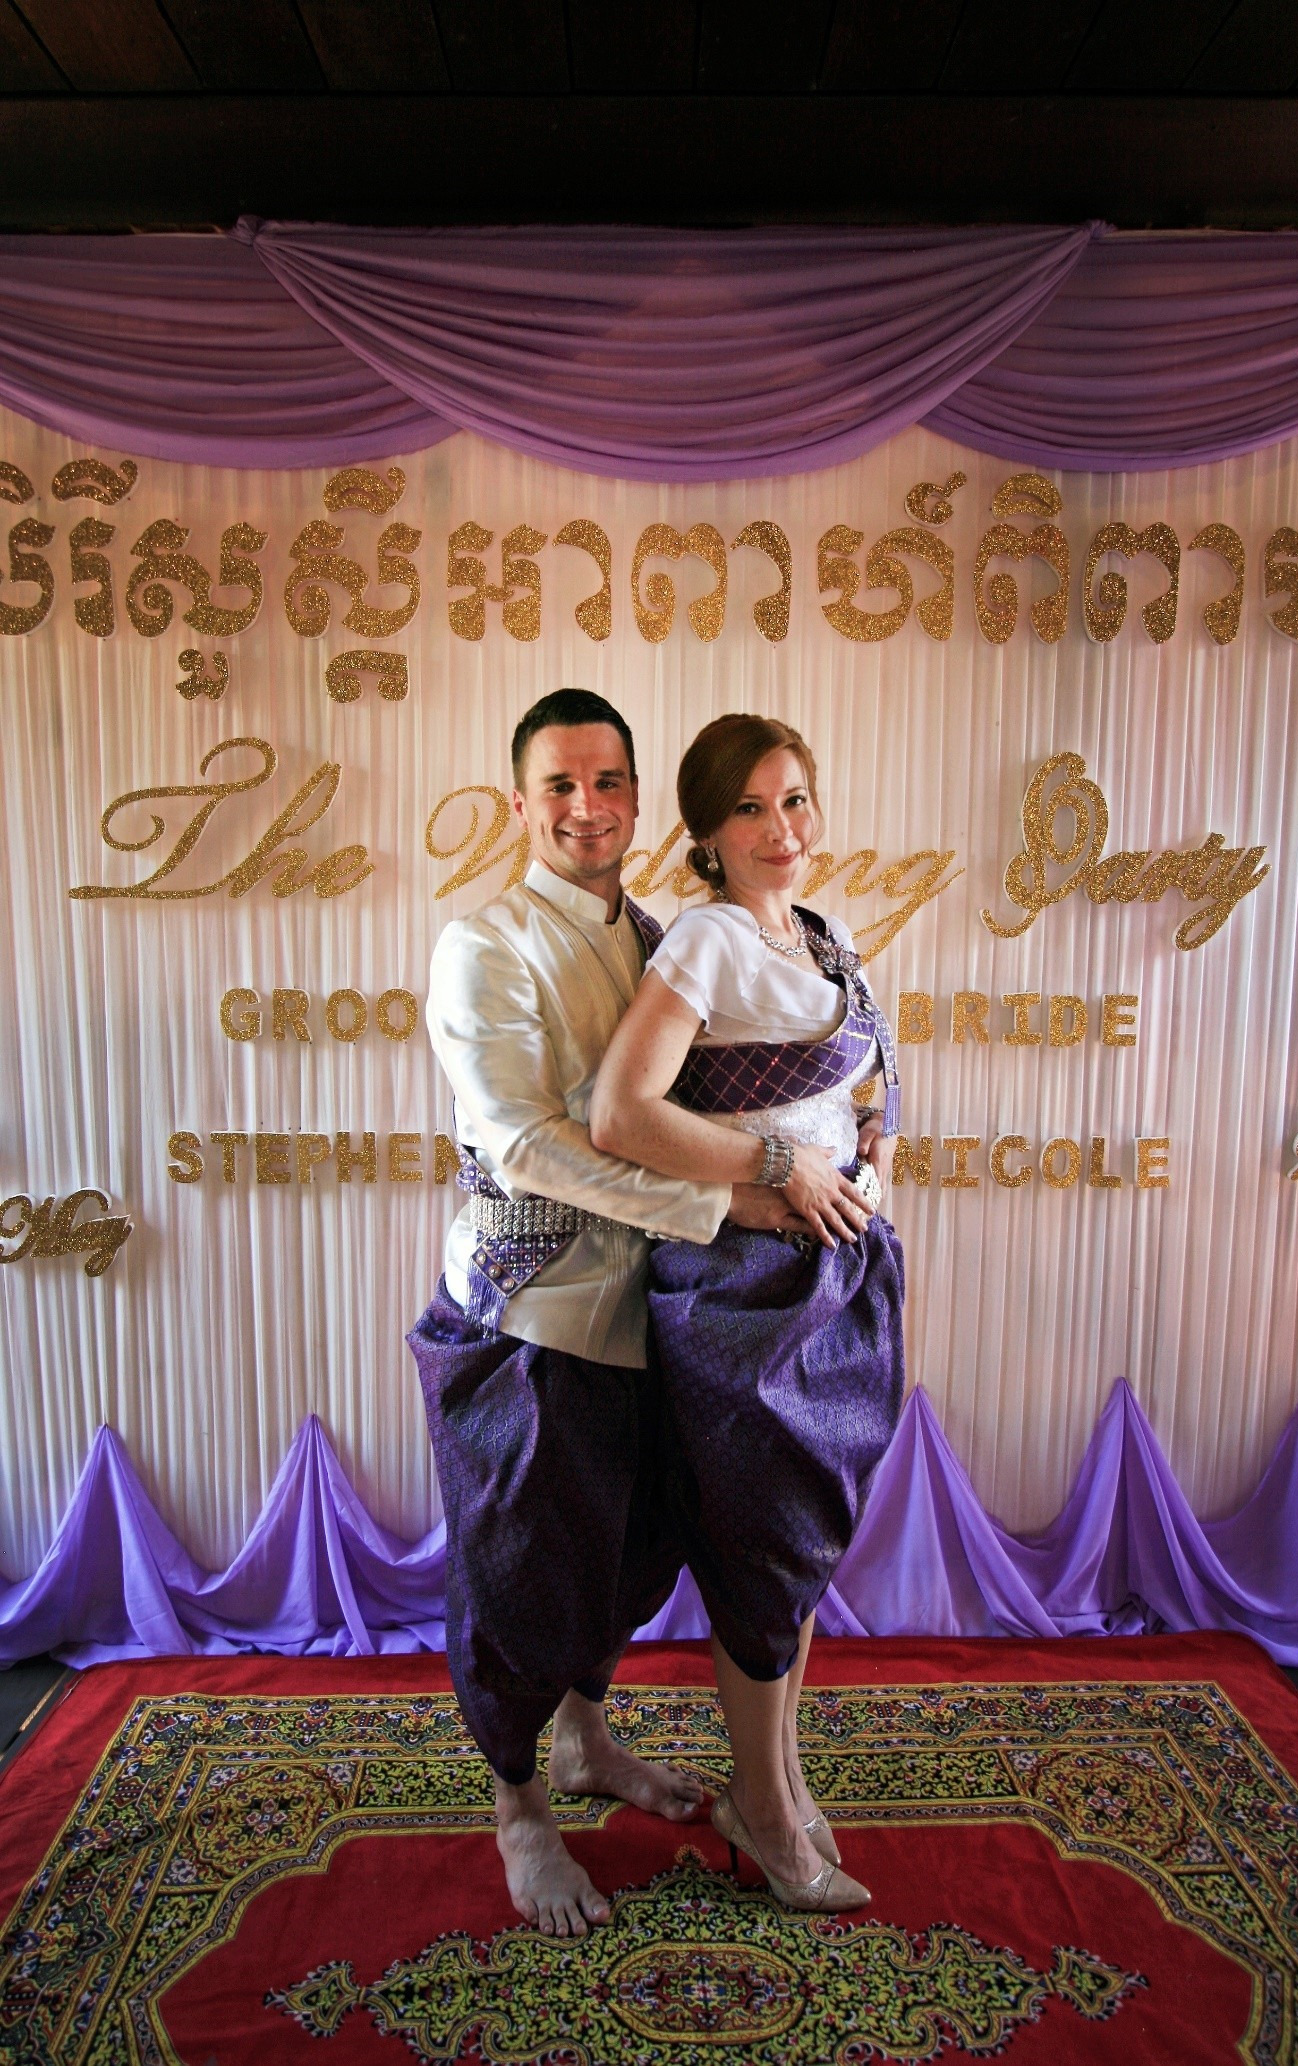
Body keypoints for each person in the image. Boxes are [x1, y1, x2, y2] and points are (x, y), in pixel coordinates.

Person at [407, 688, 801, 1939]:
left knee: (625, 1553)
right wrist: (729, 1201)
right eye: (562, 786)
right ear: (519, 803)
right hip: (534, 1312)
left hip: (663, 1309)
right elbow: (525, 1143)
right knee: (524, 1564)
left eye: (611, 782)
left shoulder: (670, 934)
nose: (589, 807)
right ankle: (522, 1806)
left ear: (641, 798)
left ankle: (584, 1742)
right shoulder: (487, 943)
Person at [590, 712, 906, 1913]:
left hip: (836, 1273)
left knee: (802, 1546)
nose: (785, 830)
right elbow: (624, 1113)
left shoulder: (824, 936)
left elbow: (853, 1086)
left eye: (797, 801)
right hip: (742, 1290)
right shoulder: (712, 941)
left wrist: (871, 1146)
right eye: (752, 810)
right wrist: (778, 1169)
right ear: (708, 836)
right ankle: (763, 1809)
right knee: (763, 1547)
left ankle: (772, 1773)